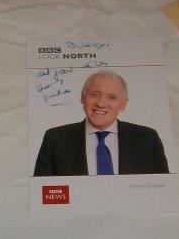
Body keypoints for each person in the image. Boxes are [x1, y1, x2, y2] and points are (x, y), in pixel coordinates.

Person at [33, 70, 169, 176]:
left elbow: (163, 192)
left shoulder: (148, 139)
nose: (101, 103)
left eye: (112, 97)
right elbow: (41, 194)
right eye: (94, 94)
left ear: (123, 104)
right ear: (82, 97)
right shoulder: (55, 139)